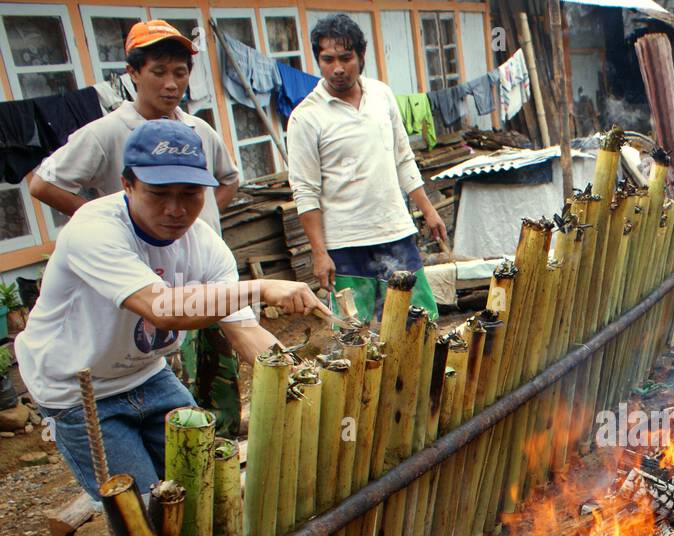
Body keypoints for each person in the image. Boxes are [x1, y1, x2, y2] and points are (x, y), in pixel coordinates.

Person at [15, 120, 326, 500]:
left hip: (149, 375)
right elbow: (163, 309)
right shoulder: (93, 230)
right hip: (77, 391)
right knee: (145, 510)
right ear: (127, 185)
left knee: (205, 487)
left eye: (190, 194)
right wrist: (260, 288)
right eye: (159, 194)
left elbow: (244, 332)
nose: (176, 210)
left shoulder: (204, 244)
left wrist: (305, 384)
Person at [30, 19, 244, 438]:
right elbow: (42, 183)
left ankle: (222, 431)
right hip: (135, 288)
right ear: (133, 73)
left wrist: (192, 222)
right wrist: (106, 218)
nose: (170, 84)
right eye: (158, 72)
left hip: (192, 270)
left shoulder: (199, 131)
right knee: (151, 345)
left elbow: (229, 178)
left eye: (180, 73)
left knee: (211, 359)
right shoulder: (108, 132)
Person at [286, 13, 449, 293]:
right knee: (360, 331)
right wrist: (319, 252)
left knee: (418, 320)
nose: (337, 68)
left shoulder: (381, 95)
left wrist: (428, 210)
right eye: (328, 60)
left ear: (361, 55)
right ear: (319, 61)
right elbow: (305, 190)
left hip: (395, 231)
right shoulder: (306, 117)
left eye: (345, 57)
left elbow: (403, 157)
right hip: (345, 243)